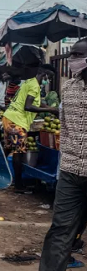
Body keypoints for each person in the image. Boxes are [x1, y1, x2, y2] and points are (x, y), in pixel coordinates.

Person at [40, 38, 87, 271]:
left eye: (79, 56)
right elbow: (65, 126)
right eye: (73, 55)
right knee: (60, 228)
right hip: (70, 171)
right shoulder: (68, 87)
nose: (73, 61)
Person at [2, 64, 58, 193]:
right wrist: (50, 109)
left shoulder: (30, 82)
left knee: (9, 148)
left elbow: (36, 103)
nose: (48, 80)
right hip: (16, 120)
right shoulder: (34, 86)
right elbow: (28, 106)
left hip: (10, 118)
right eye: (48, 77)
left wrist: (52, 110)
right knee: (19, 152)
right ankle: (18, 185)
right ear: (43, 73)